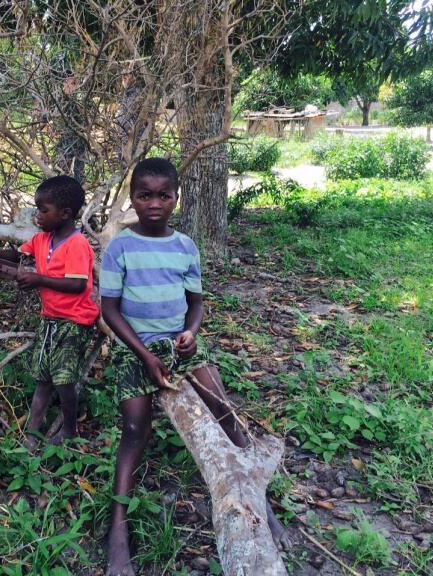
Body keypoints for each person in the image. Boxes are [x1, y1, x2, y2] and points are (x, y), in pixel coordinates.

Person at [99, 158, 288, 576]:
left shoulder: (185, 245)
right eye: (144, 195)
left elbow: (196, 301)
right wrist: (146, 356)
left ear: (176, 198)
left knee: (225, 413)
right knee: (135, 430)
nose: (154, 203)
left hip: (180, 346)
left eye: (163, 195)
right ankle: (117, 531)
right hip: (136, 348)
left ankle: (258, 502)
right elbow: (109, 308)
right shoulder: (121, 247)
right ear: (132, 198)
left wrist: (191, 333)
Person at [0, 175, 99, 447]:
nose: (37, 215)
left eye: (43, 210)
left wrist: (39, 279)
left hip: (75, 321)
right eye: (37, 208)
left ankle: (69, 430)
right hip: (50, 320)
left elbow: (78, 284)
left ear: (65, 213)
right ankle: (33, 431)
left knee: (64, 379)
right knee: (42, 376)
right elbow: (19, 254)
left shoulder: (77, 244)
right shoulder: (43, 239)